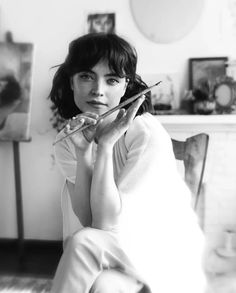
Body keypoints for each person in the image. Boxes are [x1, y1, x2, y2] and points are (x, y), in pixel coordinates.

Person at [49, 33, 206, 293]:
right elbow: (89, 219)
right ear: (72, 82)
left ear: (125, 86)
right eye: (86, 76)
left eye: (112, 79)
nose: (98, 89)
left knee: (83, 243)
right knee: (102, 285)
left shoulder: (145, 133)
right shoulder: (69, 139)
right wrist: (83, 152)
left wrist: (107, 145)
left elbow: (107, 224)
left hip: (160, 253)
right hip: (108, 256)